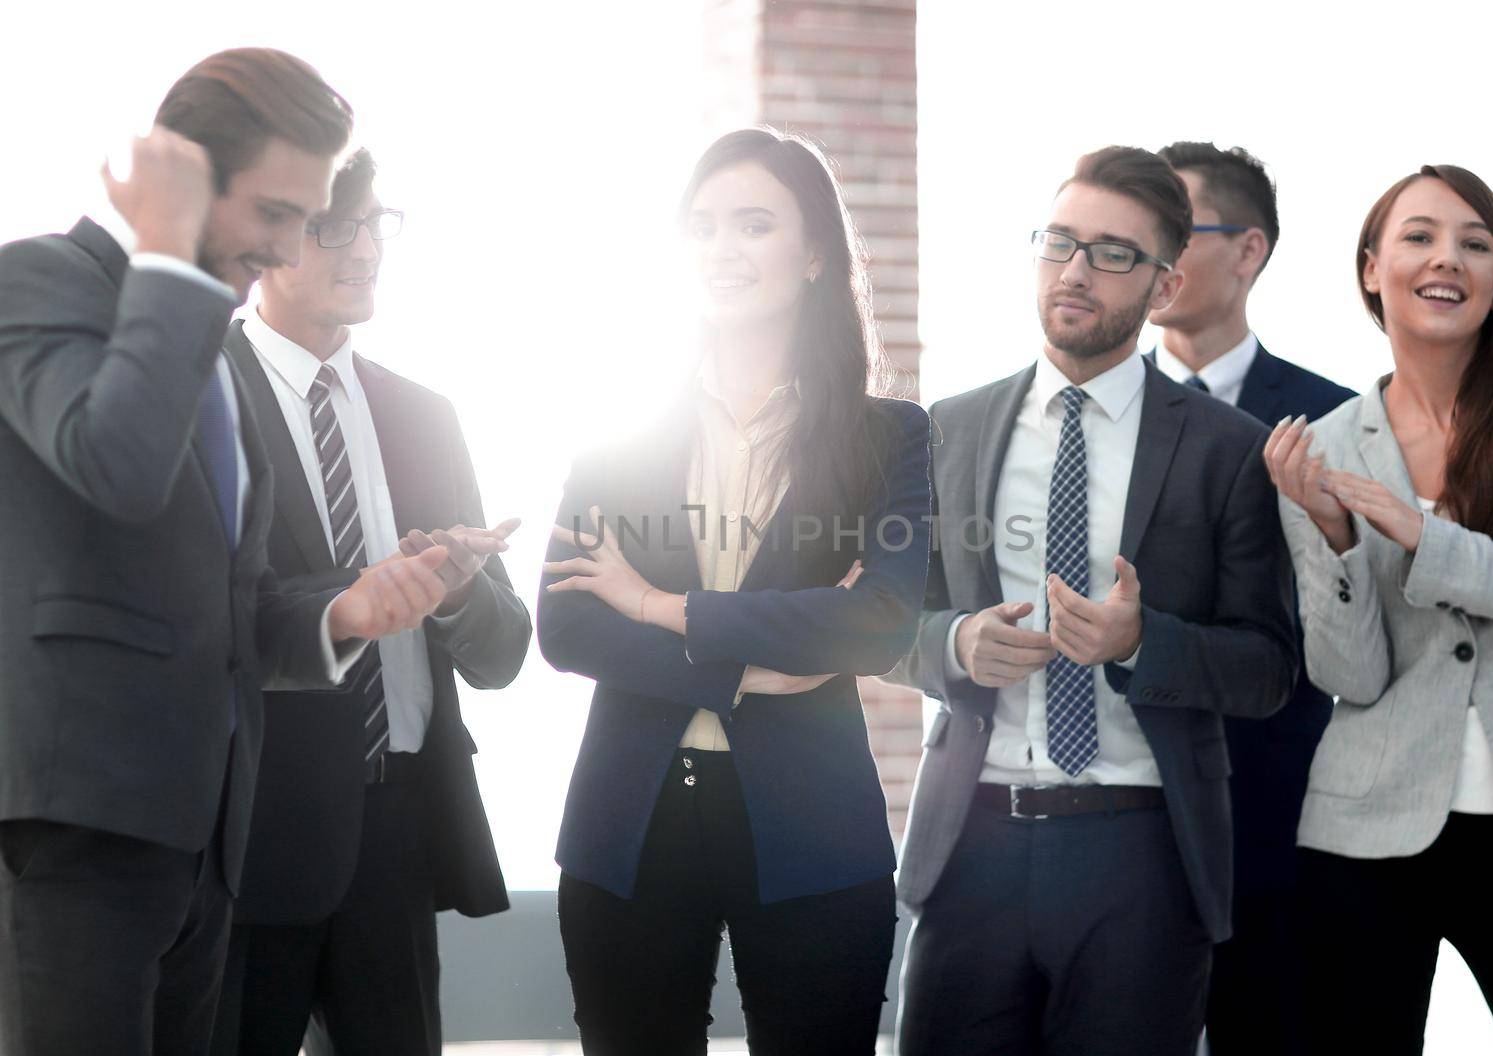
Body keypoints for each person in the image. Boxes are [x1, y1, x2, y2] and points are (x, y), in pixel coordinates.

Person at [0, 49, 454, 1056]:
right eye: (277, 214)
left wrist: (347, 613)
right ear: (188, 175)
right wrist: (164, 249)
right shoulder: (34, 280)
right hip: (78, 831)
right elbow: (113, 463)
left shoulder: (209, 352)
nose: (292, 248)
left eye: (311, 217)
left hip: (204, 847)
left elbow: (230, 603)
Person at [887, 146, 1296, 1056]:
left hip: (1142, 853)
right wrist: (953, 646)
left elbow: (1268, 667)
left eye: (1113, 253)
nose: (1075, 270)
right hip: (972, 846)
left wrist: (1143, 641)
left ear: (1163, 283)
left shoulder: (1229, 450)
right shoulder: (944, 431)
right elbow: (879, 627)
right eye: (1060, 242)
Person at [538, 127, 931, 1055]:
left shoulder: (889, 440)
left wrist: (660, 606)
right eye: (703, 226)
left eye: (754, 225)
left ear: (814, 255)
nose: (722, 249)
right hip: (628, 825)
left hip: (811, 827)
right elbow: (565, 626)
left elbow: (875, 622)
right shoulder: (616, 437)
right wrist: (753, 669)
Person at [1264, 164, 1493, 1056]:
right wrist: (1336, 537)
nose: (1446, 257)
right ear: (1373, 268)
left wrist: (1421, 534)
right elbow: (1350, 676)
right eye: (1419, 236)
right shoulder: (1326, 445)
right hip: (1364, 829)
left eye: (1475, 242)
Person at [207, 149, 531, 1056]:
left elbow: (503, 655)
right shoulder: (198, 397)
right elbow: (205, 620)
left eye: (376, 223)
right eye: (331, 228)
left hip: (398, 827)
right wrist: (349, 601)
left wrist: (458, 596)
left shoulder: (426, 416)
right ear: (263, 240)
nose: (365, 251)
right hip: (246, 833)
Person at [1147, 141, 1354, 1055]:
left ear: (1249, 250)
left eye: (1179, 230)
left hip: (1278, 818)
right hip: (1124, 807)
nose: (1156, 254)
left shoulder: (1337, 420)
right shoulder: (1084, 415)